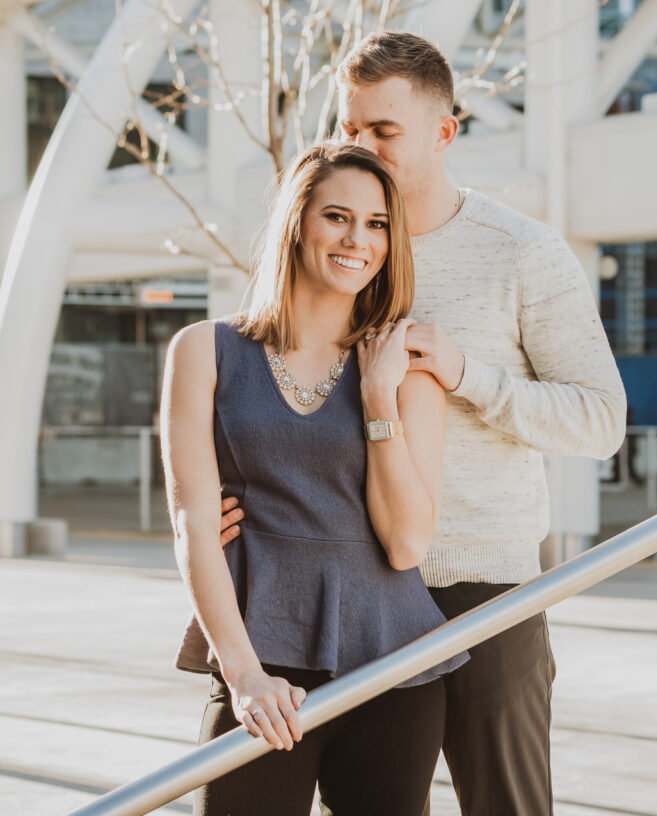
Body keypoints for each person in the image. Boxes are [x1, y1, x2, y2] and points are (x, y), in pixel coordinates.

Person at [221, 33, 627, 816]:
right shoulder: (324, 242)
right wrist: (224, 503)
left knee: (503, 804)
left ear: (444, 133)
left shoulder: (522, 253)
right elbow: (267, 381)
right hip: (345, 589)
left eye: (382, 131)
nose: (358, 145)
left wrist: (468, 375)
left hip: (479, 585)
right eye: (349, 127)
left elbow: (600, 420)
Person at [162, 141, 467, 816]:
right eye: (337, 216)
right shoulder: (202, 350)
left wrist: (379, 400)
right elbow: (193, 524)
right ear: (298, 221)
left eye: (377, 223)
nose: (358, 239)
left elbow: (406, 544)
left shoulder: (407, 367)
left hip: (393, 668)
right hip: (258, 657)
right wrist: (243, 676)